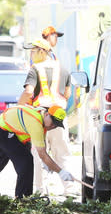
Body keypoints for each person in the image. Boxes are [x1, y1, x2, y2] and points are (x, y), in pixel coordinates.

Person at [0, 104, 73, 199]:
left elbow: (42, 146)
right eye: (53, 122)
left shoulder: (41, 115)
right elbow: (42, 154)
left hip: (3, 130)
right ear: (47, 114)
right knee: (26, 162)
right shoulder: (36, 122)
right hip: (4, 132)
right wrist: (60, 172)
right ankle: (23, 199)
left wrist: (47, 163)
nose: (53, 126)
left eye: (56, 125)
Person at [19, 35, 72, 194]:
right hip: (58, 116)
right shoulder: (63, 69)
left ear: (42, 52)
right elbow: (67, 94)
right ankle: (69, 187)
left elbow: (28, 92)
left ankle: (41, 190)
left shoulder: (35, 69)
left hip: (40, 117)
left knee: (39, 153)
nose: (31, 56)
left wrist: (18, 107)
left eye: (33, 52)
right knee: (62, 152)